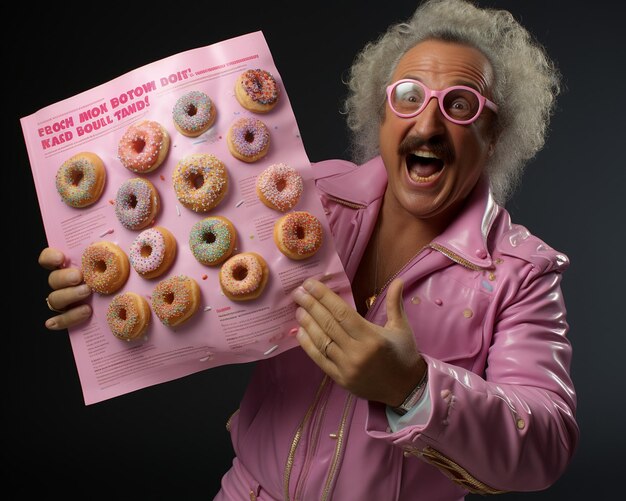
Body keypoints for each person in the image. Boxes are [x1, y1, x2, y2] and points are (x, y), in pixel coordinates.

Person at [38, 0, 579, 499]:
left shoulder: (520, 272)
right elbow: (186, 273)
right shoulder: (309, 199)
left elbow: (546, 440)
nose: (429, 123)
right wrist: (98, 295)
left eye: (460, 105)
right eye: (409, 97)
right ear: (383, 115)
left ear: (494, 132)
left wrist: (412, 387)